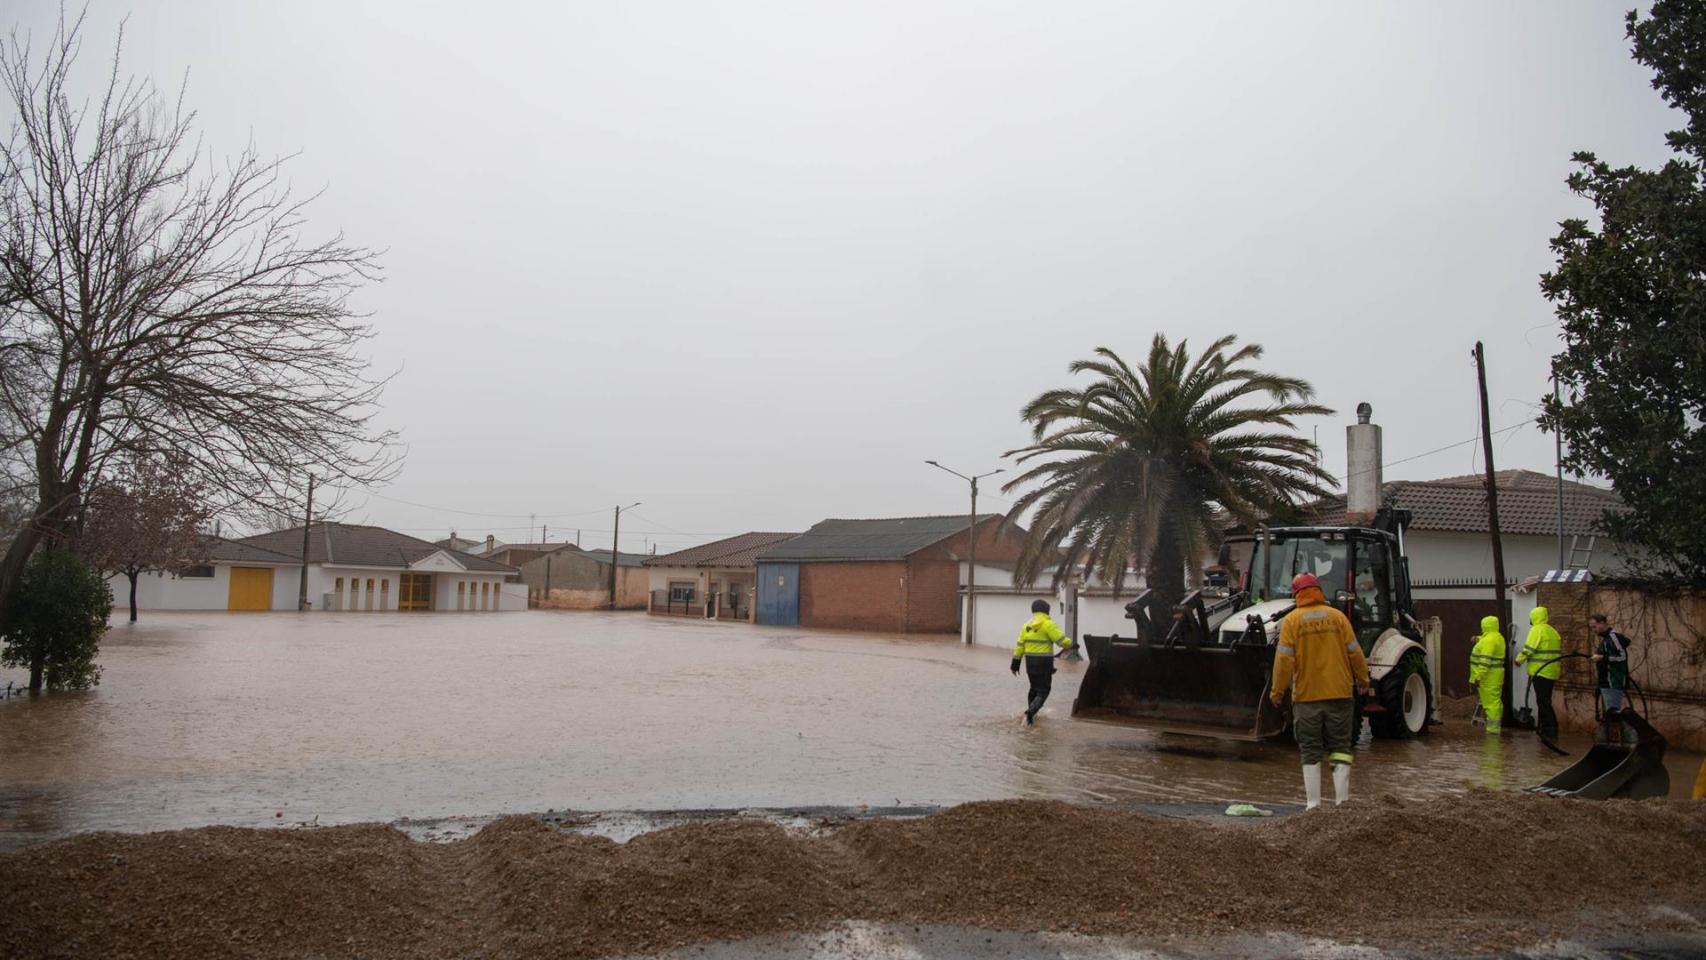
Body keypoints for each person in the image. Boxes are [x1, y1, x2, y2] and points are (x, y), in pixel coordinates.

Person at [1270, 572, 1372, 809]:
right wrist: (1363, 679)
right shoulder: (1337, 618)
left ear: (1296, 594)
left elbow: (1283, 662)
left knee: (1310, 750)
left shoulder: (1292, 622)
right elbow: (1355, 652)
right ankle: (1342, 803)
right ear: (1318, 590)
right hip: (1340, 695)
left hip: (1307, 698)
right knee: (1340, 748)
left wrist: (1276, 693)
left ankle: (1313, 805)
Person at [1011, 599, 1073, 725]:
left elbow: (1019, 646)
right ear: (1046, 610)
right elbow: (1061, 641)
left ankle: (1031, 717)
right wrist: (1070, 643)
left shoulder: (1026, 626)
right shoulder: (1048, 624)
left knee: (1034, 689)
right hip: (1044, 663)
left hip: (1030, 663)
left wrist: (1015, 664)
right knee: (1044, 690)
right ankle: (1030, 713)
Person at [1516, 606, 1563, 741]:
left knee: (1543, 702)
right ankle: (1548, 729)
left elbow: (1529, 649)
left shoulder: (1537, 630)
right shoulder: (1552, 631)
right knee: (1545, 701)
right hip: (1551, 671)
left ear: (1534, 617)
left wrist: (1519, 660)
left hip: (1540, 671)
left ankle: (1549, 730)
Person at [1468, 615, 1507, 734]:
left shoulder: (1489, 641)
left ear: (1484, 626)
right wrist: (1478, 638)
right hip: (1494, 676)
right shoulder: (1497, 637)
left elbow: (1485, 661)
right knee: (1495, 702)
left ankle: (1492, 731)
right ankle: (1494, 728)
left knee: (1491, 704)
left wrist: (1478, 677)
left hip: (1488, 677)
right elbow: (1488, 641)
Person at [1588, 613, 1632, 714]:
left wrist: (1602, 657)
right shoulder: (1606, 639)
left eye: (1594, 626)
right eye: (1591, 628)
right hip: (1606, 682)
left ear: (1602, 623)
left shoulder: (1613, 638)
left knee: (1613, 715)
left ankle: (1627, 730)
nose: (1593, 630)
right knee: (1610, 715)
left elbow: (1622, 657)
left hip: (1613, 681)